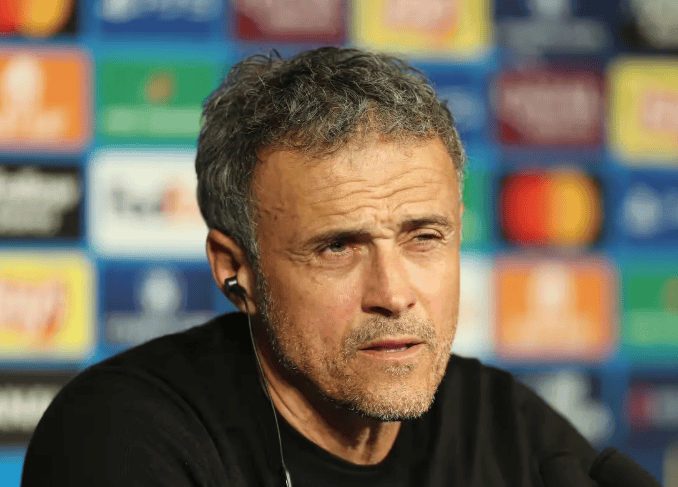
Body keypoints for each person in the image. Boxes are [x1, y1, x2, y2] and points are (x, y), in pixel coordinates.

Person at [22, 47, 602, 486]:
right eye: (337, 248)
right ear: (236, 270)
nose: (393, 294)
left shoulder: (508, 427)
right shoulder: (122, 435)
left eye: (423, 237)